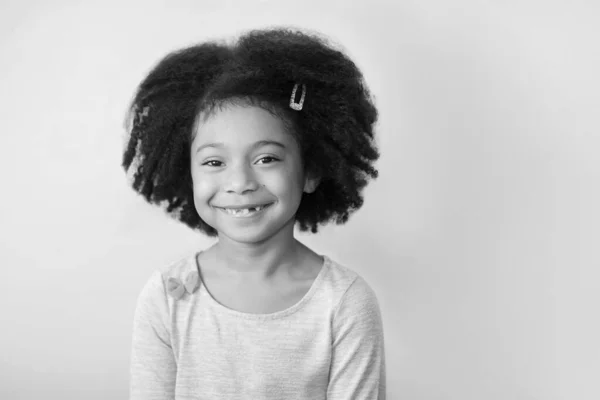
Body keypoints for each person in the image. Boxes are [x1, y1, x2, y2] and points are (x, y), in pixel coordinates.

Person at [124, 27, 386, 399]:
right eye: (214, 161)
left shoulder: (344, 303)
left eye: (266, 158)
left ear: (310, 170)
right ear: (188, 173)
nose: (240, 181)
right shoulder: (168, 298)